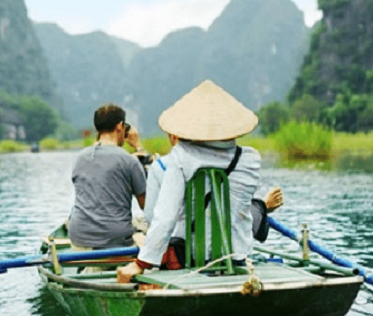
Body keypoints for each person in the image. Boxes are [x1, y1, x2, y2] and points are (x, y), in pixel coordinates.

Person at [117, 80, 282, 282]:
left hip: (193, 259)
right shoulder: (251, 159)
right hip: (239, 257)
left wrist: (141, 264)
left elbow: (164, 217)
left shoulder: (180, 158)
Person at [68, 104, 147, 250]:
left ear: (97, 129)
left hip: (78, 238)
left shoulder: (80, 158)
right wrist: (139, 147)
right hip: (115, 241)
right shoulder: (130, 161)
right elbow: (146, 206)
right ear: (120, 126)